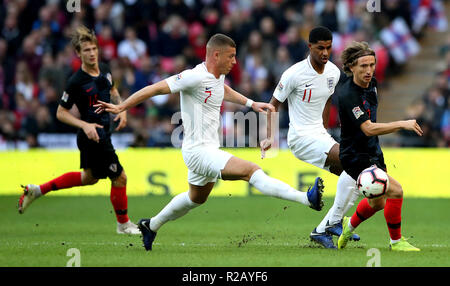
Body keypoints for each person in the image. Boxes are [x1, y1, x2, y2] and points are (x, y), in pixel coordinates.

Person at [94, 33, 325, 251]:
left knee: (196, 198)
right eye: (231, 56)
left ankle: (150, 226)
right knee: (251, 170)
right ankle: (306, 198)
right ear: (216, 55)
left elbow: (220, 89)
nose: (235, 61)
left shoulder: (216, 76)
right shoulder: (193, 76)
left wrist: (251, 104)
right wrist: (122, 106)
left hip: (207, 150)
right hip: (198, 151)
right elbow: (156, 88)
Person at [18, 26, 140, 235]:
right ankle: (124, 224)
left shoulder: (105, 69)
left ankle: (37, 190)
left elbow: (112, 90)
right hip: (92, 136)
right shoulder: (76, 82)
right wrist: (84, 125)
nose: (91, 53)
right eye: (86, 50)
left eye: (94, 49)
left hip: (104, 132)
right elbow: (60, 112)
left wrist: (122, 109)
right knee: (120, 178)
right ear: (78, 54)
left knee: (89, 178)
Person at [261, 26, 360, 249]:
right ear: (310, 47)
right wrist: (269, 137)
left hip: (319, 135)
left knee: (355, 177)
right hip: (300, 138)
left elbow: (326, 100)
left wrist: (325, 128)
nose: (325, 53)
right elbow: (272, 106)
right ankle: (334, 223)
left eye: (328, 48)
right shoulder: (293, 74)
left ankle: (323, 229)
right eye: (320, 48)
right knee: (354, 163)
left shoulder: (334, 72)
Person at [337, 41, 422, 251]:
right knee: (396, 191)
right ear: (351, 67)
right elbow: (367, 128)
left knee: (378, 203)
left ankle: (349, 225)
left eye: (372, 65)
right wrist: (402, 123)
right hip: (354, 155)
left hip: (373, 150)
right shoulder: (348, 95)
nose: (368, 70)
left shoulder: (373, 84)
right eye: (363, 66)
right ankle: (396, 242)